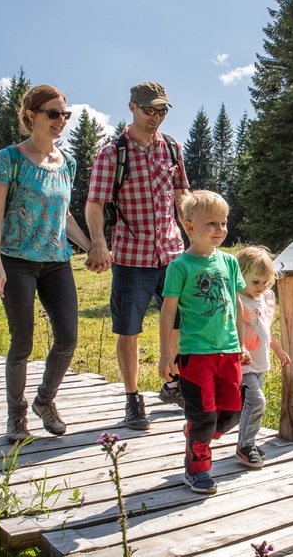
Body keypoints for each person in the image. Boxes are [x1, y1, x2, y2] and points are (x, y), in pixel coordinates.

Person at [0, 84, 93, 443]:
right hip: (16, 261)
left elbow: (66, 217)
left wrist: (91, 246)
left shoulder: (68, 163)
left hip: (56, 261)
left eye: (65, 114)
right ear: (32, 116)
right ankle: (16, 417)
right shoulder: (10, 159)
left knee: (68, 337)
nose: (61, 120)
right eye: (53, 113)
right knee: (22, 342)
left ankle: (45, 401)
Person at [84, 81, 189, 430]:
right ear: (132, 107)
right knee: (129, 329)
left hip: (172, 254)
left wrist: (197, 241)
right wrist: (99, 244)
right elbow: (95, 203)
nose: (155, 117)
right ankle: (132, 399)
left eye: (161, 111)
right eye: (149, 110)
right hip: (131, 256)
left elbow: (182, 198)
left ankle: (173, 384)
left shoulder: (172, 149)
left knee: (180, 322)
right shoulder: (112, 153)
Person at [159, 190, 249, 494]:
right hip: (195, 355)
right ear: (189, 227)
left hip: (229, 352)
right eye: (212, 224)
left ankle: (197, 430)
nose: (220, 230)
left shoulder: (229, 263)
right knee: (204, 415)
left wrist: (242, 343)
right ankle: (197, 469)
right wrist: (164, 355)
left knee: (232, 412)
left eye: (223, 223)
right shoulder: (180, 267)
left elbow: (235, 304)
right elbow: (168, 310)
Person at [234, 246, 291, 468]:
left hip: (259, 364)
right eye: (256, 282)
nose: (261, 287)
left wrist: (277, 349)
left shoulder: (263, 299)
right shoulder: (237, 300)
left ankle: (247, 441)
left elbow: (264, 329)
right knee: (257, 402)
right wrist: (239, 348)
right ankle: (245, 446)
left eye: (265, 282)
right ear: (240, 276)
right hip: (243, 365)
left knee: (245, 406)